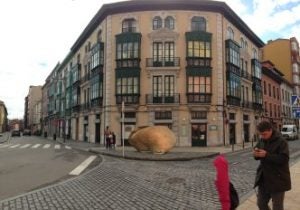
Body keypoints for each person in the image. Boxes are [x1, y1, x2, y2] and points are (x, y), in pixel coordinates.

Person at [253, 121, 291, 210]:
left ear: (270, 130)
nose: (262, 136)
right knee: (261, 204)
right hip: (264, 179)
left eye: (264, 134)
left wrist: (266, 155)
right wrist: (256, 154)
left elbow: (284, 159)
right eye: (260, 134)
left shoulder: (282, 141)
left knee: (277, 207)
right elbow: (257, 151)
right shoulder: (262, 140)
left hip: (278, 179)